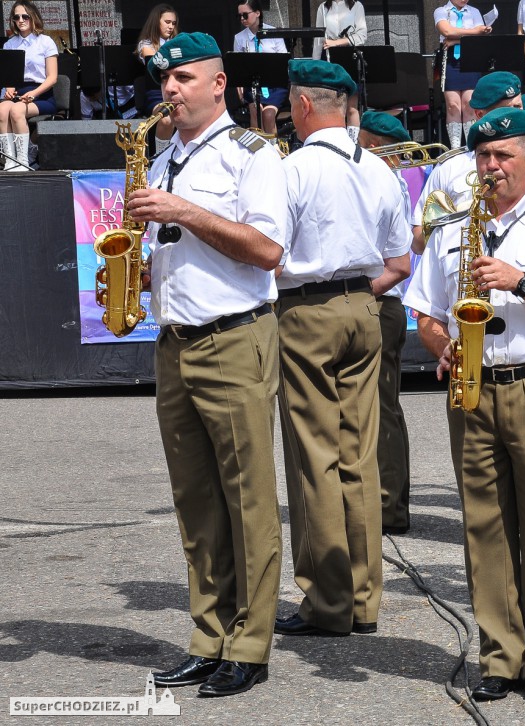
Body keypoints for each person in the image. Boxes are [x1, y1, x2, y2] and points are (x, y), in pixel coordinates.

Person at [403, 107, 525, 702]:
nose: (492, 168)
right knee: (484, 526)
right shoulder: (449, 227)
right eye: (483, 158)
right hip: (472, 387)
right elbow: (426, 315)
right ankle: (498, 653)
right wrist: (444, 346)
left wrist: (521, 283)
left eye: (503, 157)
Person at [128, 32, 288, 697]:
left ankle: (250, 646)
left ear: (218, 85)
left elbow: (268, 249)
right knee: (195, 501)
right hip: (175, 342)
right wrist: (137, 266)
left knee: (248, 500)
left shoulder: (254, 155)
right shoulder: (161, 157)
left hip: (235, 338)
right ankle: (208, 636)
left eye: (184, 79)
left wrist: (183, 212)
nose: (170, 90)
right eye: (166, 80)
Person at [273, 62, 411, 639]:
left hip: (308, 309)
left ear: (304, 106)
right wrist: (354, 293)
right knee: (358, 457)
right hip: (365, 305)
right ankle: (363, 597)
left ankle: (327, 600)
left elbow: (268, 251)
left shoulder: (293, 168)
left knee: (315, 459)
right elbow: (399, 261)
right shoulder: (379, 168)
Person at [357, 111, 417, 535]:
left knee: (381, 408)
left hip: (379, 299)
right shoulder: (383, 177)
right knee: (379, 407)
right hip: (381, 300)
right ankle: (382, 503)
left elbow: (397, 258)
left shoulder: (378, 178)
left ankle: (388, 507)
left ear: (373, 145)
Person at [411, 71, 523, 254]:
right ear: (479, 115)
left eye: (519, 107)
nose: (518, 116)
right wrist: (456, 223)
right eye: (507, 111)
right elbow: (417, 242)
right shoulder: (450, 167)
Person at [0, 2, 58, 172]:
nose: (21, 20)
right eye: (16, 17)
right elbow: (8, 75)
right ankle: (10, 159)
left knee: (17, 111)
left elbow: (52, 77)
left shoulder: (45, 41)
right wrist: (9, 88)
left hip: (42, 93)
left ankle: (23, 159)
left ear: (33, 17)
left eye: (25, 16)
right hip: (18, 92)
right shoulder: (10, 44)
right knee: (2, 110)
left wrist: (34, 93)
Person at [434, 0, 492, 149]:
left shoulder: (474, 11)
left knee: (469, 103)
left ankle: (470, 146)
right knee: (453, 105)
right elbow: (447, 31)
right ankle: (455, 148)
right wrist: (474, 32)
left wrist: (456, 40)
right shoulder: (441, 11)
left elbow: (480, 34)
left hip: (470, 55)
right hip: (450, 58)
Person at [234, 0, 289, 137]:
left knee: (268, 114)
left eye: (245, 15)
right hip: (253, 85)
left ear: (257, 13)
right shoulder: (239, 38)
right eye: (239, 16)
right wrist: (239, 88)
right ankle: (256, 150)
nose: (242, 19)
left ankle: (273, 149)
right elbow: (237, 66)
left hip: (274, 84)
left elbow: (284, 62)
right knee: (255, 111)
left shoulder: (273, 33)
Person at [312, 0, 366, 130]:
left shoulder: (356, 5)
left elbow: (362, 36)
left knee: (351, 107)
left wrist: (337, 42)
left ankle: (354, 143)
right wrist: (315, 65)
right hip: (331, 60)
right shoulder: (323, 7)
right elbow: (318, 38)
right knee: (333, 107)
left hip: (351, 58)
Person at [136, 4, 179, 153]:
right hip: (156, 95)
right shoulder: (146, 44)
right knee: (166, 118)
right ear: (156, 22)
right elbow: (156, 62)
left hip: (177, 93)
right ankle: (161, 156)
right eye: (167, 22)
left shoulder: (177, 42)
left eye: (173, 23)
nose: (171, 26)